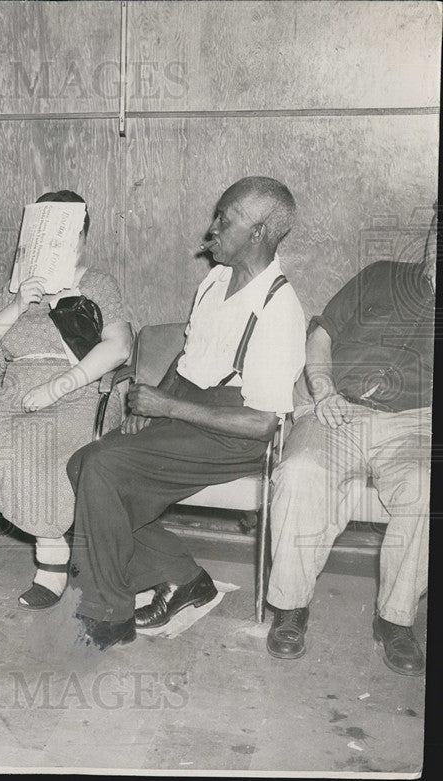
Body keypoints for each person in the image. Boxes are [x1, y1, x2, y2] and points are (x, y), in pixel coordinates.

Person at [65, 176, 306, 650]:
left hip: (233, 433)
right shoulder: (216, 279)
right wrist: (153, 403)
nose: (210, 230)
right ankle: (183, 576)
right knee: (81, 465)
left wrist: (169, 406)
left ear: (258, 232)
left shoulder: (279, 309)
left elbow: (262, 424)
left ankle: (109, 614)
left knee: (102, 468)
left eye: (225, 219)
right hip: (187, 411)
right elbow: (190, 359)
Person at [0, 191, 132, 609]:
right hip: (13, 391)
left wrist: (58, 387)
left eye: (68, 238)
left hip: (79, 393)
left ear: (82, 238)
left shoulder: (97, 284)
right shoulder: (15, 289)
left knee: (36, 453)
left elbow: (119, 348)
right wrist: (18, 304)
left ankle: (52, 565)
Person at [264, 204, 436, 676]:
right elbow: (322, 333)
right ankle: (290, 608)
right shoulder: (382, 274)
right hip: (337, 405)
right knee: (299, 473)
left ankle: (395, 620)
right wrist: (322, 388)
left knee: (428, 488)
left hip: (417, 424)